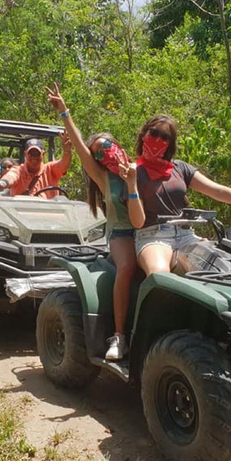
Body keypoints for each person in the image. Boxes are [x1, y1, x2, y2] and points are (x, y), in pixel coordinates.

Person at [47, 82, 144, 360]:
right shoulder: (104, 178)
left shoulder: (138, 168)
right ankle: (119, 336)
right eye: (99, 153)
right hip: (122, 234)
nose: (105, 154)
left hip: (149, 231)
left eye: (107, 147)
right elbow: (79, 146)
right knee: (126, 267)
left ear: (117, 145)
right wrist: (64, 111)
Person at [133, 115, 231, 276]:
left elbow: (216, 190)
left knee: (226, 269)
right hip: (153, 236)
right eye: (154, 133)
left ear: (170, 143)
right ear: (144, 134)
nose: (158, 140)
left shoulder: (180, 168)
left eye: (164, 137)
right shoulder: (133, 172)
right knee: (159, 275)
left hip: (186, 236)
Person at [0, 136, 72, 199]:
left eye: (37, 154)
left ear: (43, 154)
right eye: (31, 154)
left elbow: (63, 165)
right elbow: (11, 177)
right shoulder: (18, 170)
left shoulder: (50, 169)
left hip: (48, 214)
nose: (34, 157)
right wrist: (3, 183)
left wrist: (67, 152)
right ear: (25, 154)